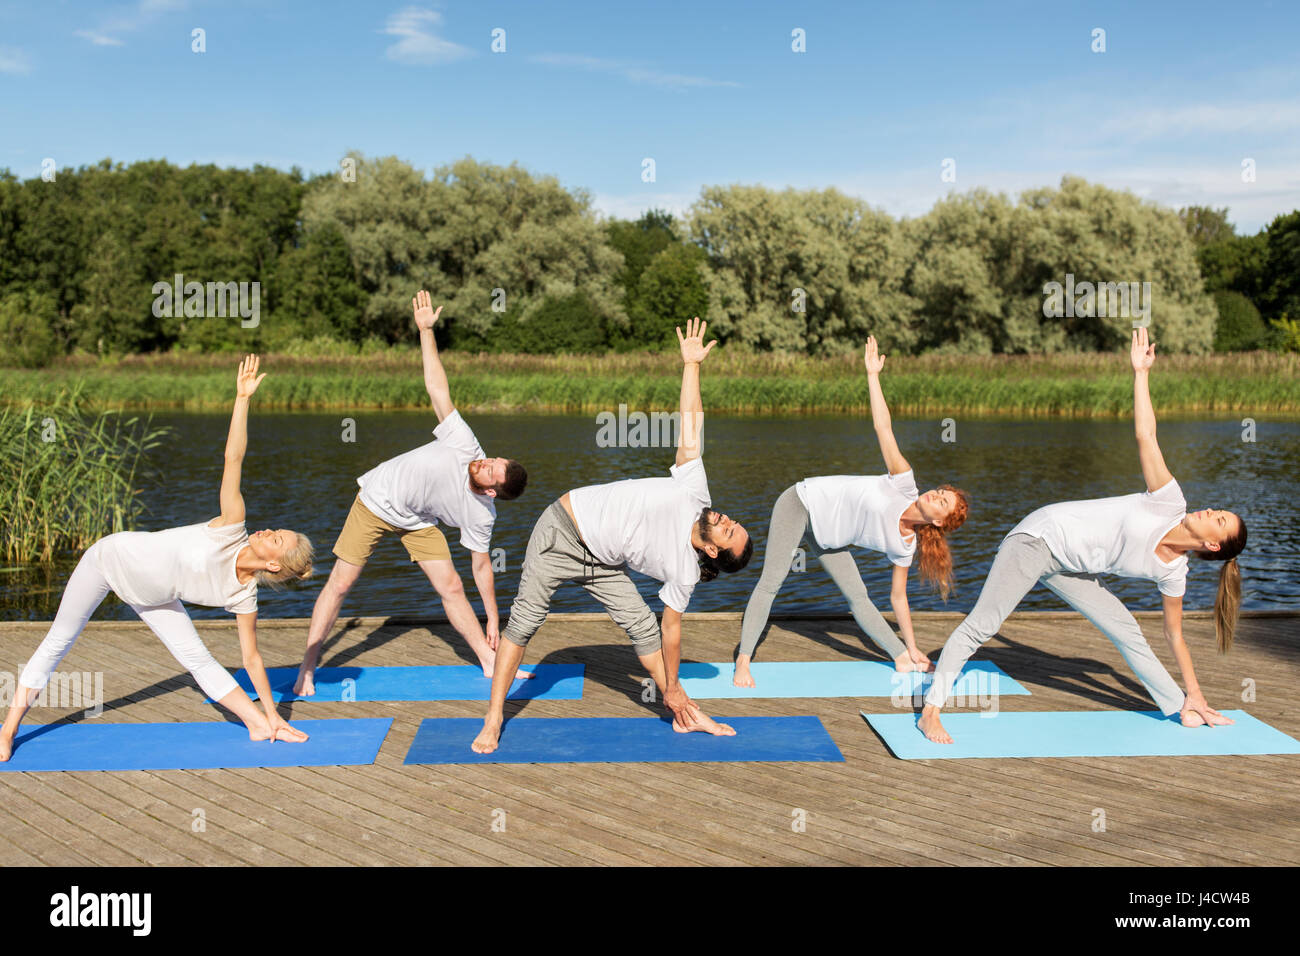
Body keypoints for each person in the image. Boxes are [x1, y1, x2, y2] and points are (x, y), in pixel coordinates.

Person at [918, 328, 1244, 744]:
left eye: (1217, 520)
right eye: (1217, 511)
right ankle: (931, 711)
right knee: (985, 623)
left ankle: (1183, 704)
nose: (1210, 511)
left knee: (1128, 630)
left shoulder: (1174, 573)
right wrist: (1140, 373)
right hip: (1039, 538)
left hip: (1071, 566)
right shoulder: (1169, 501)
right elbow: (1146, 435)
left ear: (1212, 546)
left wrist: (1195, 691)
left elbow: (1173, 634)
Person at [1, 355, 314, 761]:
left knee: (199, 659)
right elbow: (233, 458)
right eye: (275, 529)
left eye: (277, 539)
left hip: (153, 596)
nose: (269, 531)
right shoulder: (231, 525)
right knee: (59, 641)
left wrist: (274, 714)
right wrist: (242, 400)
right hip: (109, 560)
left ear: (274, 564)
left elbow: (251, 659)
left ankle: (259, 726)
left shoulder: (244, 598)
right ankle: (7, 729)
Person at [471, 318, 753, 754]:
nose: (725, 517)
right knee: (524, 625)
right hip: (561, 533)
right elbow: (691, 428)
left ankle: (683, 711)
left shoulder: (685, 573)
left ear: (714, 549)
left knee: (644, 626)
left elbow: (671, 630)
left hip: (603, 561)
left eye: (728, 529)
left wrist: (674, 685)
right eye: (731, 520)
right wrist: (691, 366)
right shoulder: (696, 494)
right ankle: (493, 719)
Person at [294, 290, 528, 694]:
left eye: (491, 471)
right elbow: (437, 389)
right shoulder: (465, 443)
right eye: (493, 460)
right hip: (376, 501)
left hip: (417, 520)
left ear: (492, 492)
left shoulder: (481, 514)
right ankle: (306, 671)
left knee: (452, 586)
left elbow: (481, 567)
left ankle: (489, 661)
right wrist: (425, 332)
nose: (485, 463)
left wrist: (493, 617)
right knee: (341, 585)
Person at [735, 336, 968, 687]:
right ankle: (743, 659)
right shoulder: (904, 482)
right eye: (941, 491)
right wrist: (873, 375)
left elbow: (898, 598)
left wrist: (913, 646)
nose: (936, 494)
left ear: (939, 521)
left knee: (859, 597)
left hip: (829, 536)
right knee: (773, 581)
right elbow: (882, 427)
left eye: (942, 501)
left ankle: (903, 660)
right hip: (801, 502)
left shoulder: (904, 545)